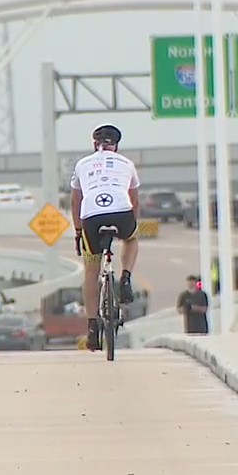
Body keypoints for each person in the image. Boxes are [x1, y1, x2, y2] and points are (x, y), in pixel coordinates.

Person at [68, 123, 141, 351]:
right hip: (121, 212)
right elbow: (135, 200)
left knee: (91, 271)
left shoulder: (82, 164)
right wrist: (132, 223)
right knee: (131, 238)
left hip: (91, 216)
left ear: (94, 144)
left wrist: (78, 231)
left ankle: (92, 326)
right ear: (116, 146)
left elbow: (75, 201)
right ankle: (126, 277)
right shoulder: (127, 164)